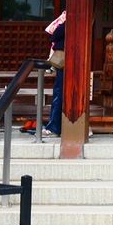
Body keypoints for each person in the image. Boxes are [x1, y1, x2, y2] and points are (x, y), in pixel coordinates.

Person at [43, 8, 66, 138]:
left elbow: (54, 36)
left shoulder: (66, 23)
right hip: (74, 60)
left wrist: (62, 23)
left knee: (59, 93)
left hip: (63, 61)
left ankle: (54, 126)